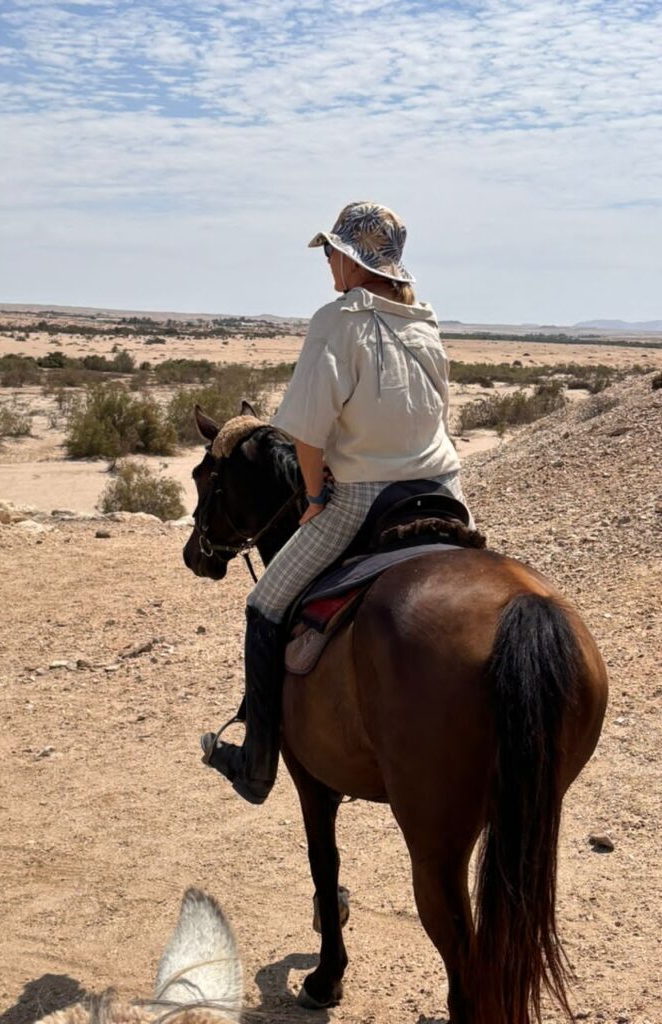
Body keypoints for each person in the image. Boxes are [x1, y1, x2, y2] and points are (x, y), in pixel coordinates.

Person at [201, 200, 470, 804]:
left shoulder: (336, 321)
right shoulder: (424, 322)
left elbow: (307, 433)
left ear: (351, 260)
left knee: (264, 605)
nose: (326, 261)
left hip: (364, 496)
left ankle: (256, 762)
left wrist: (317, 495)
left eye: (331, 251)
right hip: (444, 491)